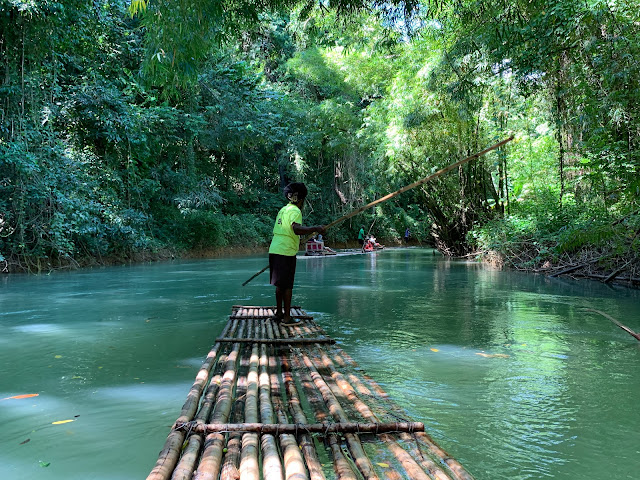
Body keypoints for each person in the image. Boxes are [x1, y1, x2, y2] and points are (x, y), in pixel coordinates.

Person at [269, 182, 325, 325]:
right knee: (287, 285)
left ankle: (279, 313)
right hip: (286, 251)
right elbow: (296, 229)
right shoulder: (295, 211)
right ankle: (287, 318)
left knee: (279, 284)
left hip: (275, 249)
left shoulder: (283, 209)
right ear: (300, 200)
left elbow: (287, 230)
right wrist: (315, 228)